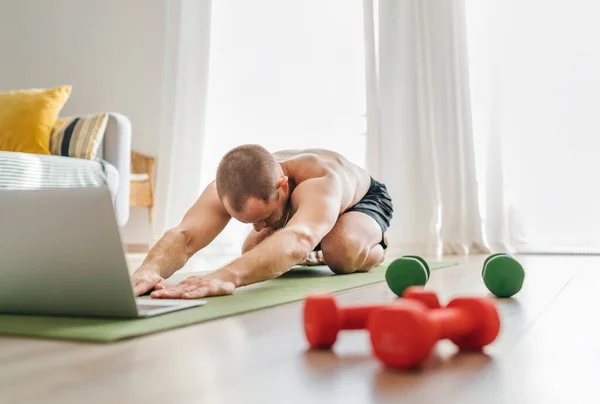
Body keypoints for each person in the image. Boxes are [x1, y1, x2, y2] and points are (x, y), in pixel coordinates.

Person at [132, 145, 393, 299]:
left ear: (283, 186)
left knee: (341, 251)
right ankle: (320, 237)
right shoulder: (228, 187)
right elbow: (186, 235)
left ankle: (375, 244)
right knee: (252, 251)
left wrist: (226, 276)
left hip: (363, 200)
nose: (259, 227)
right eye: (248, 221)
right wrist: (149, 270)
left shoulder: (319, 181)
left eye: (264, 217)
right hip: (311, 214)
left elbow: (298, 240)